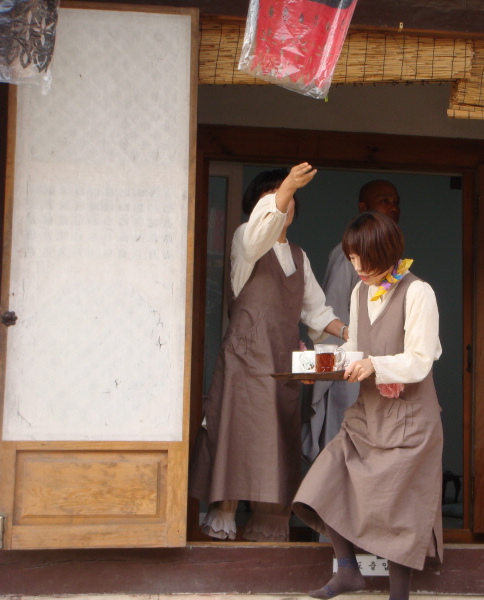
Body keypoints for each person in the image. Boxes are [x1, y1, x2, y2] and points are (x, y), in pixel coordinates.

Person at [189, 163, 348, 543]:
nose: (284, 201)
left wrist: (351, 333)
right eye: (275, 196)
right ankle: (223, 517)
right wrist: (288, 184)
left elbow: (317, 312)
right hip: (245, 361)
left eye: (290, 196)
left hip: (283, 364)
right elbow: (260, 232)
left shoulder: (299, 255)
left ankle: (268, 524)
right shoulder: (246, 240)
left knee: (276, 442)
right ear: (257, 206)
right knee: (236, 436)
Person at [293, 212, 443, 600]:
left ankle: (399, 596)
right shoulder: (361, 292)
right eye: (352, 259)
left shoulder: (418, 292)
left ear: (388, 252)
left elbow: (421, 359)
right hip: (368, 414)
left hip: (410, 418)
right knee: (328, 479)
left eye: (365, 259)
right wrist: (318, 368)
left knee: (398, 508)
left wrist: (375, 365)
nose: (358, 267)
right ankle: (348, 571)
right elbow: (355, 348)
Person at [302, 180, 401, 463]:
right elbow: (331, 318)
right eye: (385, 200)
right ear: (363, 207)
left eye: (396, 202)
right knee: (345, 452)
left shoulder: (397, 267)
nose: (393, 208)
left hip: (384, 372)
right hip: (350, 372)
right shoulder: (348, 256)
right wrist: (327, 373)